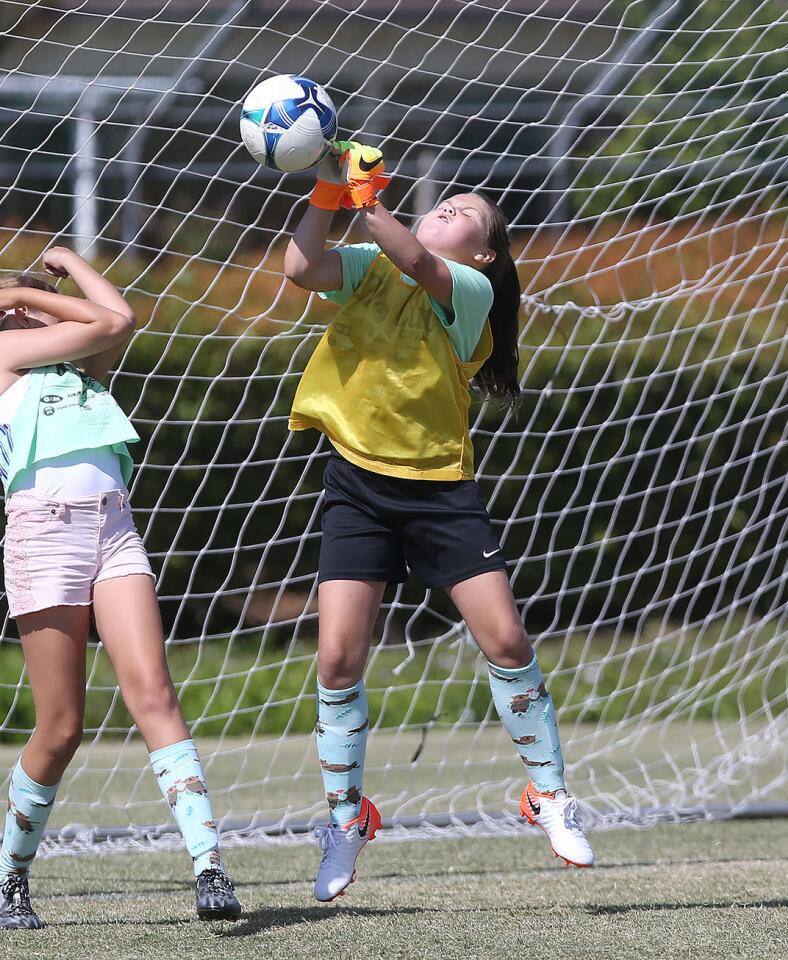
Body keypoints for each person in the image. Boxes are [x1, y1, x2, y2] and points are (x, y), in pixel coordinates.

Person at [282, 142, 595, 902]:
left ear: (482, 252)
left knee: (506, 639)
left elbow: (420, 264)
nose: (444, 210)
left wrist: (365, 199)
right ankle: (344, 820)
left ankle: (547, 797)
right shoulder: (366, 265)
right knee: (336, 661)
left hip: (439, 491)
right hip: (356, 484)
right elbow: (298, 269)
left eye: (461, 214)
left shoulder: (468, 292)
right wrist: (329, 192)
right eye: (440, 204)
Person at [0, 247, 242, 928]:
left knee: (153, 693)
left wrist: (65, 263)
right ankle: (8, 876)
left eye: (37, 307)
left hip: (114, 530)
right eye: (17, 308)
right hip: (45, 536)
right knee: (61, 729)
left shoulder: (80, 367)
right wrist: (21, 302)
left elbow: (114, 318)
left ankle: (209, 865)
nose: (36, 315)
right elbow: (110, 316)